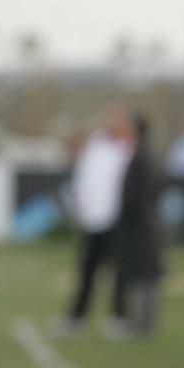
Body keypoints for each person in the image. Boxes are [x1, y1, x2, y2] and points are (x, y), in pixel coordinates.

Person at [55, 102, 134, 336]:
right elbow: (83, 179)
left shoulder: (127, 148)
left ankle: (118, 317)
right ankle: (76, 318)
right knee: (87, 271)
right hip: (93, 220)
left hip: (117, 220)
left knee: (120, 272)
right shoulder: (95, 146)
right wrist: (83, 209)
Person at [113, 114, 164, 336]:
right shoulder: (149, 156)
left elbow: (135, 196)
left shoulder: (141, 158)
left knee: (142, 276)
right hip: (147, 223)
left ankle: (141, 324)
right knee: (144, 275)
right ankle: (142, 322)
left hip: (140, 227)